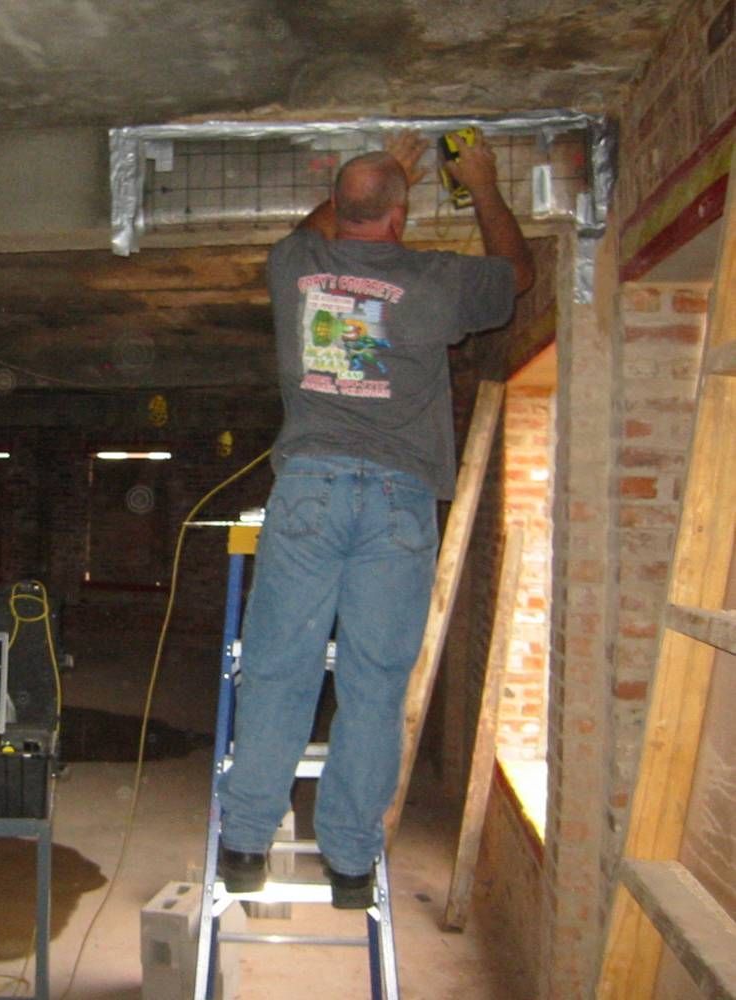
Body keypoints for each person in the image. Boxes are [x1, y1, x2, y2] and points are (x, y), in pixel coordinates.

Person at [216, 130, 533, 908]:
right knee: (373, 685)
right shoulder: (435, 279)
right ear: (400, 214)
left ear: (340, 209)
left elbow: (308, 228)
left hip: (310, 492)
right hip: (396, 502)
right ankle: (350, 864)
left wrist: (378, 177)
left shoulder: (294, 266)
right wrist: (482, 182)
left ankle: (246, 847)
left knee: (276, 669)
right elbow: (514, 277)